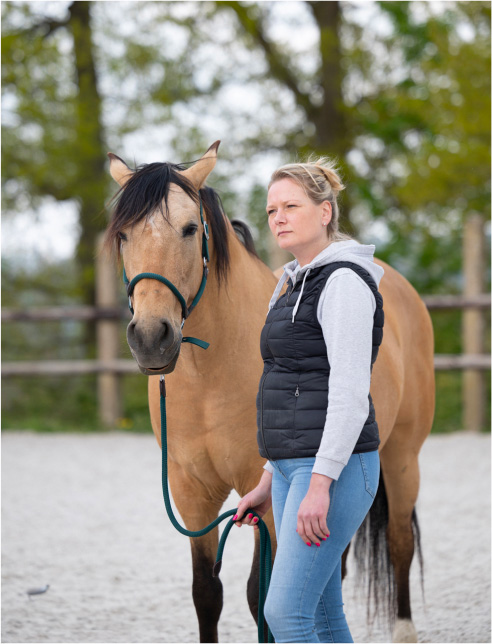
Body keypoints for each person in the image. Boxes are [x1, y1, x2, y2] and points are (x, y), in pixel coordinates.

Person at [234, 157, 385, 643]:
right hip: (288, 466)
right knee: (320, 612)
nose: (277, 216)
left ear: (325, 212)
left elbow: (347, 392)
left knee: (284, 614)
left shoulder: (342, 283)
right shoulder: (291, 282)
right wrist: (266, 476)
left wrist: (319, 483)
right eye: (271, 208)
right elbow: (289, 383)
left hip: (333, 469)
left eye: (291, 205)